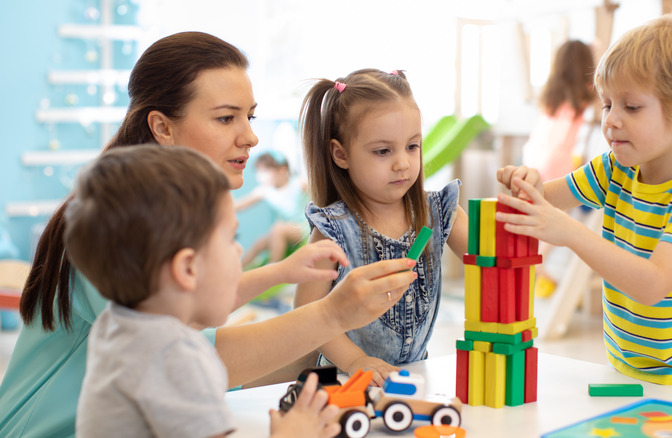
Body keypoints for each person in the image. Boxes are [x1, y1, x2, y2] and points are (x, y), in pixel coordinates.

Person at [0, 32, 417, 437]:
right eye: (225, 118)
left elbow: (185, 303)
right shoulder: (124, 222)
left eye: (249, 116)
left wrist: (278, 274)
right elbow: (193, 355)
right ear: (162, 128)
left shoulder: (147, 209)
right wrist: (332, 315)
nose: (250, 137)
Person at [496, 16, 672, 386]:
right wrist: (530, 184)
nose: (611, 121)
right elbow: (550, 196)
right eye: (607, 105)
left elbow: (653, 284)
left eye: (631, 107)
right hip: (628, 369)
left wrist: (571, 233)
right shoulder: (614, 168)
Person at [67, 146, 340, 438]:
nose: (238, 249)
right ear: (187, 269)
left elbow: (203, 306)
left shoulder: (123, 322)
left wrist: (281, 271)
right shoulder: (176, 357)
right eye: (230, 238)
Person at [295, 69, 469, 386]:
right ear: (341, 154)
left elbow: (491, 255)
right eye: (383, 151)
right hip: (342, 380)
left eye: (412, 146)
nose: (402, 163)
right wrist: (355, 360)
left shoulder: (439, 211)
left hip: (413, 378)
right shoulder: (332, 228)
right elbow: (306, 315)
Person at [521, 39, 601, 298]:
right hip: (561, 163)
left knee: (543, 219)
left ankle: (538, 265)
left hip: (535, 157)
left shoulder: (552, 95)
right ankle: (538, 266)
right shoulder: (587, 96)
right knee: (560, 219)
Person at [235, 150, 308, 268]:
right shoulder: (265, 191)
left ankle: (274, 265)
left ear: (282, 170)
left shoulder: (298, 184)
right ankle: (238, 269)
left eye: (264, 171)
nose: (260, 177)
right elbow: (239, 205)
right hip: (286, 230)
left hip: (303, 229)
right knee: (259, 243)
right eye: (258, 172)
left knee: (278, 228)